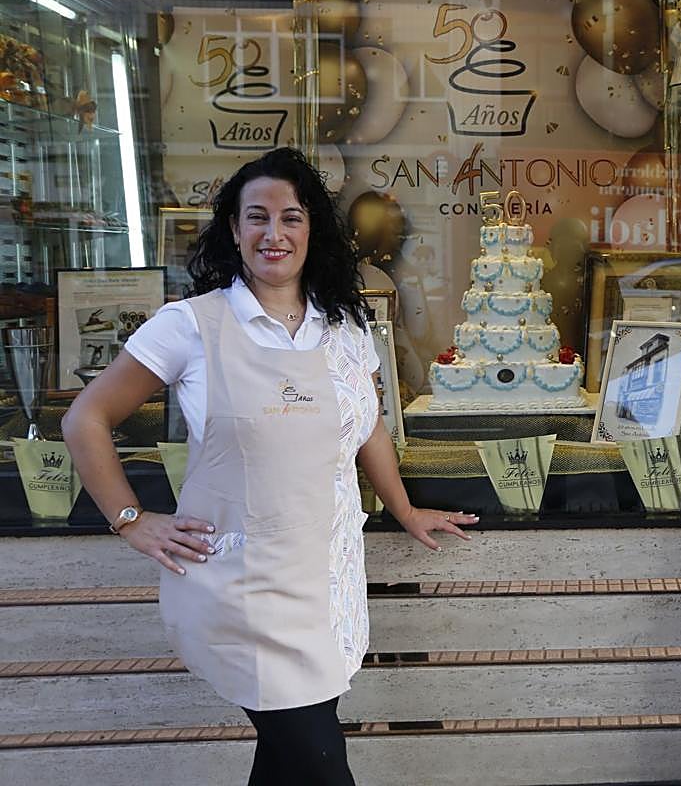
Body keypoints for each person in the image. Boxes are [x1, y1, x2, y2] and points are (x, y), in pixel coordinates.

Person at [62, 147, 478, 786]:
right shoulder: (191, 325)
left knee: (287, 763)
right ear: (234, 229)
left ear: (313, 230)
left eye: (291, 217)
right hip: (241, 589)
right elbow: (85, 418)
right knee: (320, 764)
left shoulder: (343, 326)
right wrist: (131, 520)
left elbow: (366, 422)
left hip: (325, 584)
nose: (273, 233)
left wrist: (403, 507)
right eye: (256, 217)